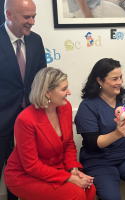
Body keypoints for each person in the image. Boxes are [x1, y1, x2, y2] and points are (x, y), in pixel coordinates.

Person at [4, 67, 96, 200]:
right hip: (24, 175)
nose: (69, 92)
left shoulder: (66, 107)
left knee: (89, 189)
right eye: (64, 89)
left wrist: (72, 169)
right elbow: (32, 166)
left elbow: (69, 144)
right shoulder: (25, 119)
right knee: (76, 194)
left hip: (56, 169)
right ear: (48, 92)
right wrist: (68, 178)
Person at [74, 58, 125, 200]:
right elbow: (92, 142)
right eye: (114, 79)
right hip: (99, 161)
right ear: (100, 81)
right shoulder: (88, 106)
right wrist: (117, 134)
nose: (120, 82)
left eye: (121, 77)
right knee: (111, 197)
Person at [0, 0, 46, 199]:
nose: (32, 21)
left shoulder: (36, 41)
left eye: (34, 16)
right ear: (9, 15)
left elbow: (41, 79)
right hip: (1, 121)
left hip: (28, 122)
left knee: (20, 175)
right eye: (27, 17)